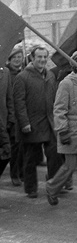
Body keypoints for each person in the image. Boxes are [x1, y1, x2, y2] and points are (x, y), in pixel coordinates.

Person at [45, 51, 77, 208]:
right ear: (74, 65)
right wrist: (62, 130)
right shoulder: (67, 83)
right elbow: (59, 109)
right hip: (72, 129)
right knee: (70, 166)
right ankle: (52, 187)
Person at [13, 45, 60, 199]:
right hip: (31, 124)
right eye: (39, 57)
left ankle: (53, 185)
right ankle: (31, 188)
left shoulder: (50, 76)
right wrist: (24, 122)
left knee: (54, 155)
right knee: (30, 158)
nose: (42, 60)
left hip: (48, 122)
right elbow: (19, 103)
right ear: (32, 58)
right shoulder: (22, 77)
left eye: (45, 57)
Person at [5, 46, 24, 186]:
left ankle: (21, 172)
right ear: (9, 60)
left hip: (23, 114)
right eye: (15, 58)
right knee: (14, 147)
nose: (18, 60)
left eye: (19, 57)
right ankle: (15, 174)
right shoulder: (6, 75)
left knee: (23, 147)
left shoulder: (23, 74)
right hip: (11, 115)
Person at [0, 65, 13, 181]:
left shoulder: (5, 72)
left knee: (6, 154)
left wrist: (11, 118)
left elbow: (9, 97)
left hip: (3, 121)